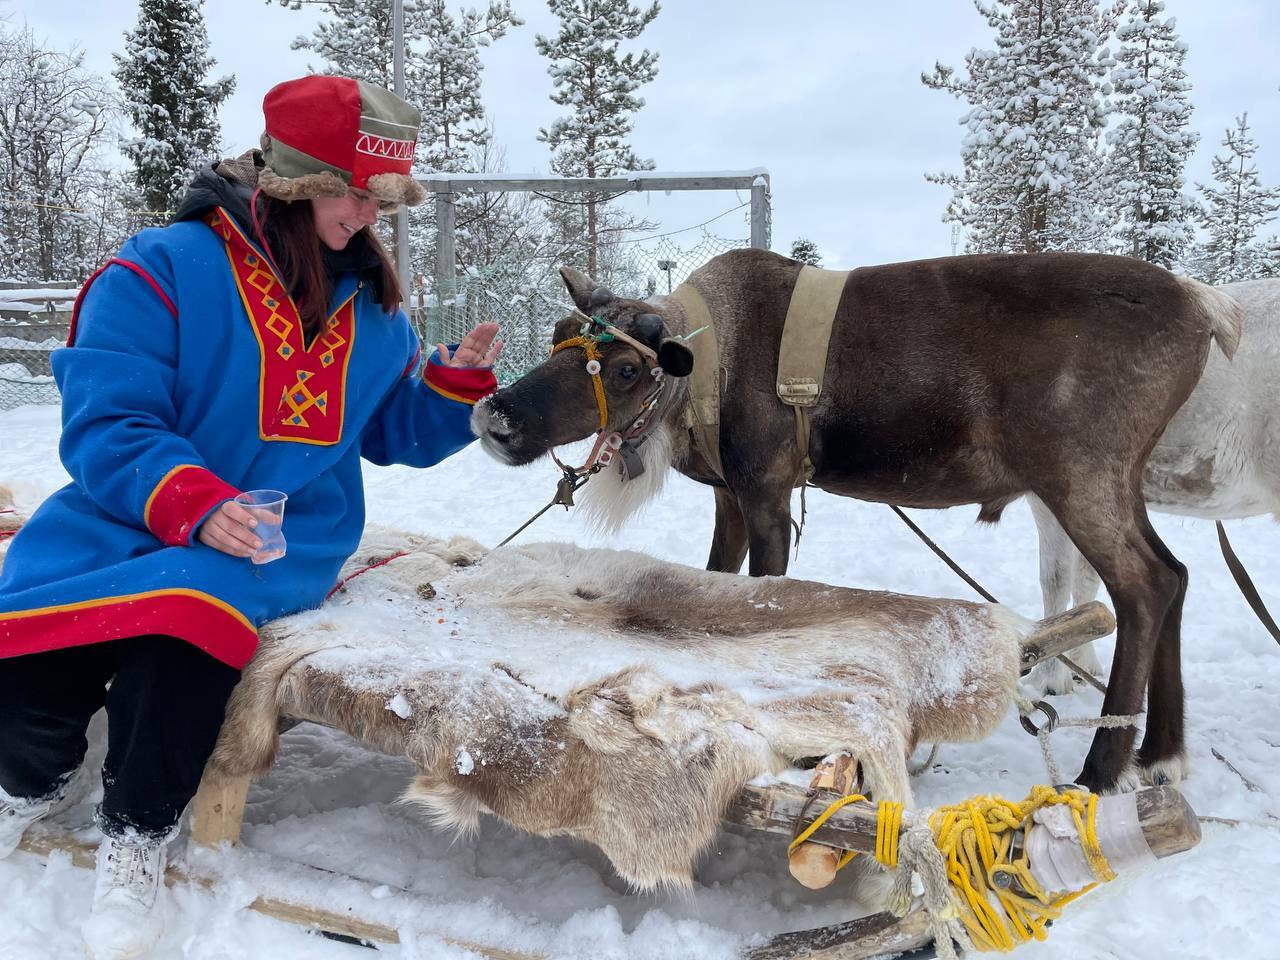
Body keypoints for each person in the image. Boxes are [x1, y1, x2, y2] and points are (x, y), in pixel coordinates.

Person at [0, 74, 501, 960]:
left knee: (180, 633)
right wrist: (192, 501)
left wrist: (449, 387)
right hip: (128, 512)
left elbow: (390, 433)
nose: (368, 216)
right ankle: (30, 784)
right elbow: (108, 419)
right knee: (34, 662)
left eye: (380, 200)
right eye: (355, 194)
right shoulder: (159, 268)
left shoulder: (377, 317)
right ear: (300, 184)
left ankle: (137, 830)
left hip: (273, 539)